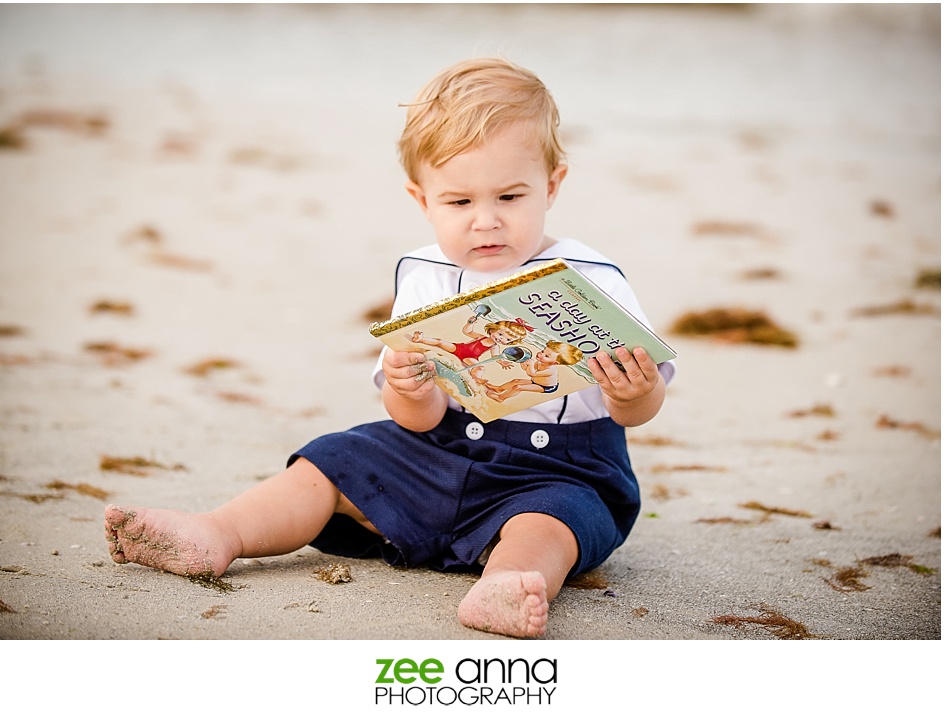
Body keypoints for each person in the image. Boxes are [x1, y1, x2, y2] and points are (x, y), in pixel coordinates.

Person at [104, 57, 674, 639]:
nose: (486, 222)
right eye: (459, 203)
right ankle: (218, 533)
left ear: (551, 185)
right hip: (439, 450)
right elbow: (415, 420)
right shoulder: (424, 274)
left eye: (509, 197)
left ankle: (508, 581)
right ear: (421, 198)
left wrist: (635, 390)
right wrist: (410, 390)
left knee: (550, 523)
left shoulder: (590, 277)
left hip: (559, 467)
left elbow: (638, 409)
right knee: (331, 461)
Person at [484, 340, 585, 402]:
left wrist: (531, 365)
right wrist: (523, 362)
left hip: (546, 387)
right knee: (515, 381)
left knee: (518, 387)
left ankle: (501, 398)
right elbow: (526, 369)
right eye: (542, 351)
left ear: (555, 363)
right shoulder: (540, 363)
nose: (540, 354)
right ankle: (499, 389)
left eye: (546, 356)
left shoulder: (550, 370)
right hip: (536, 381)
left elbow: (532, 373)